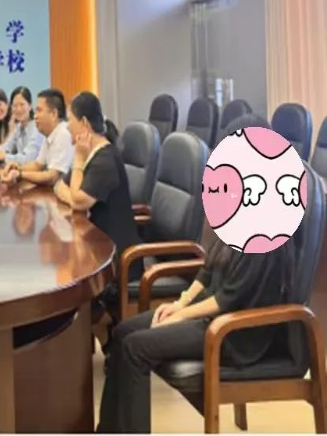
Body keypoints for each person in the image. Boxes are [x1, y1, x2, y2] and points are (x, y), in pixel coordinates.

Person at [98, 238, 294, 433]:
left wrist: (182, 315)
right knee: (123, 332)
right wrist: (180, 304)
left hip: (233, 332)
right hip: (211, 316)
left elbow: (227, 299)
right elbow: (207, 271)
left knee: (135, 348)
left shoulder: (262, 242)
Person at [55, 91, 140, 275]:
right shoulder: (90, 152)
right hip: (96, 246)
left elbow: (79, 201)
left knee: (70, 269)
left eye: (70, 120)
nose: (67, 126)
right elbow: (59, 186)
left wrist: (78, 159)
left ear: (84, 123)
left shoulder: (104, 160)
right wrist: (74, 198)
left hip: (116, 260)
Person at [0, 88, 73, 184]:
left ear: (54, 114)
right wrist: (16, 168)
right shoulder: (50, 134)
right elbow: (38, 165)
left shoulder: (63, 133)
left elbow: (52, 176)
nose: (35, 116)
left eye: (39, 110)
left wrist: (20, 174)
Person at [0, 86, 44, 164]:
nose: (18, 109)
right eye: (15, 105)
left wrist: (5, 156)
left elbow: (29, 159)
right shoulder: (19, 127)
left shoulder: (37, 128)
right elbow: (7, 147)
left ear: (30, 105)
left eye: (22, 104)